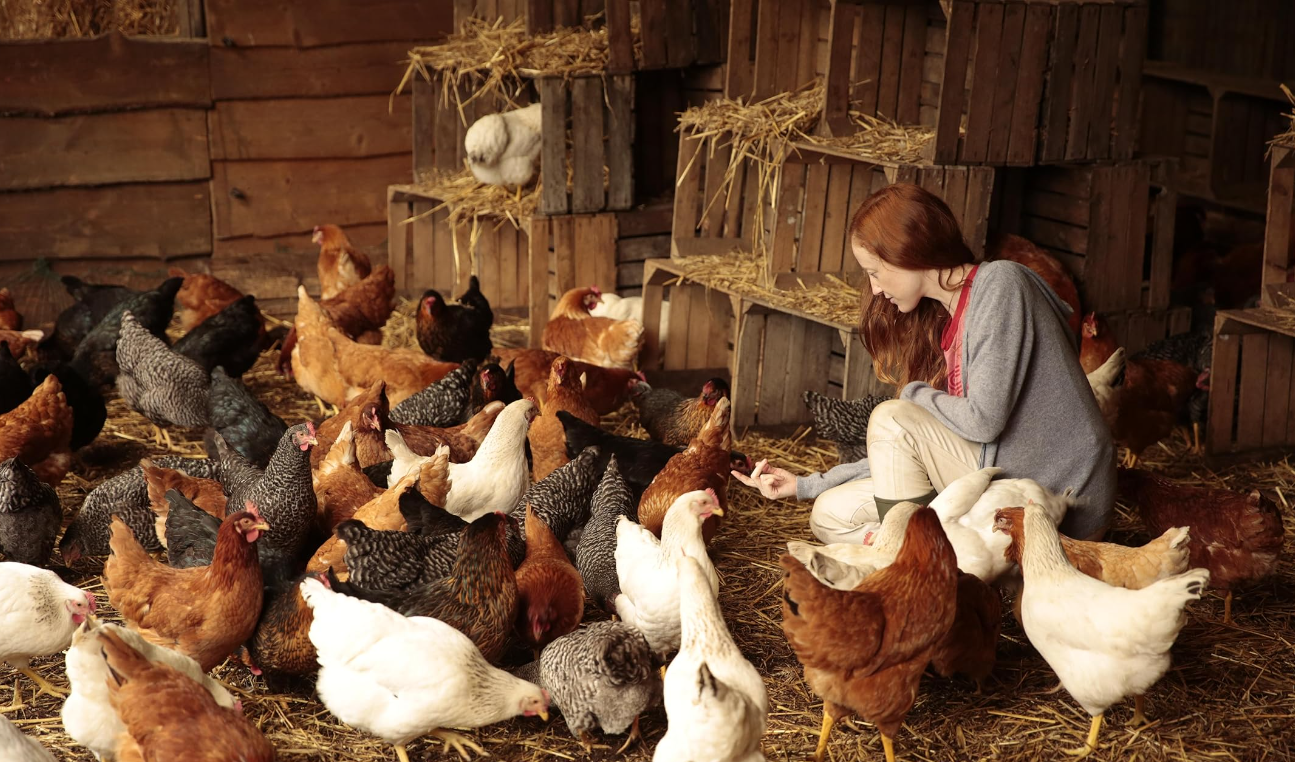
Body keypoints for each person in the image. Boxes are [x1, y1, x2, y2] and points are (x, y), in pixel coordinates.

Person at [732, 183, 1114, 543]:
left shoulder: (1000, 284)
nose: (875, 289)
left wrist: (913, 395)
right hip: (998, 474)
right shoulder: (948, 324)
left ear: (907, 252)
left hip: (1056, 494)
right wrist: (806, 484)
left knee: (892, 417)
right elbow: (904, 451)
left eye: (874, 272)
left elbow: (983, 421)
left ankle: (917, 570)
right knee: (829, 513)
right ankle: (928, 558)